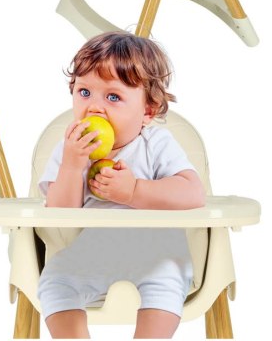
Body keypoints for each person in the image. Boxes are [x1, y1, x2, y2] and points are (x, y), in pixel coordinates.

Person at [38, 32, 206, 339]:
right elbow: (59, 213)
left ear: (148, 111)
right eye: (84, 92)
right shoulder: (70, 150)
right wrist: (73, 166)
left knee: (165, 282)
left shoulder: (156, 144)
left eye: (113, 97)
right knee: (55, 281)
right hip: (95, 250)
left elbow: (193, 193)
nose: (94, 108)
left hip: (158, 251)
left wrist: (134, 191)